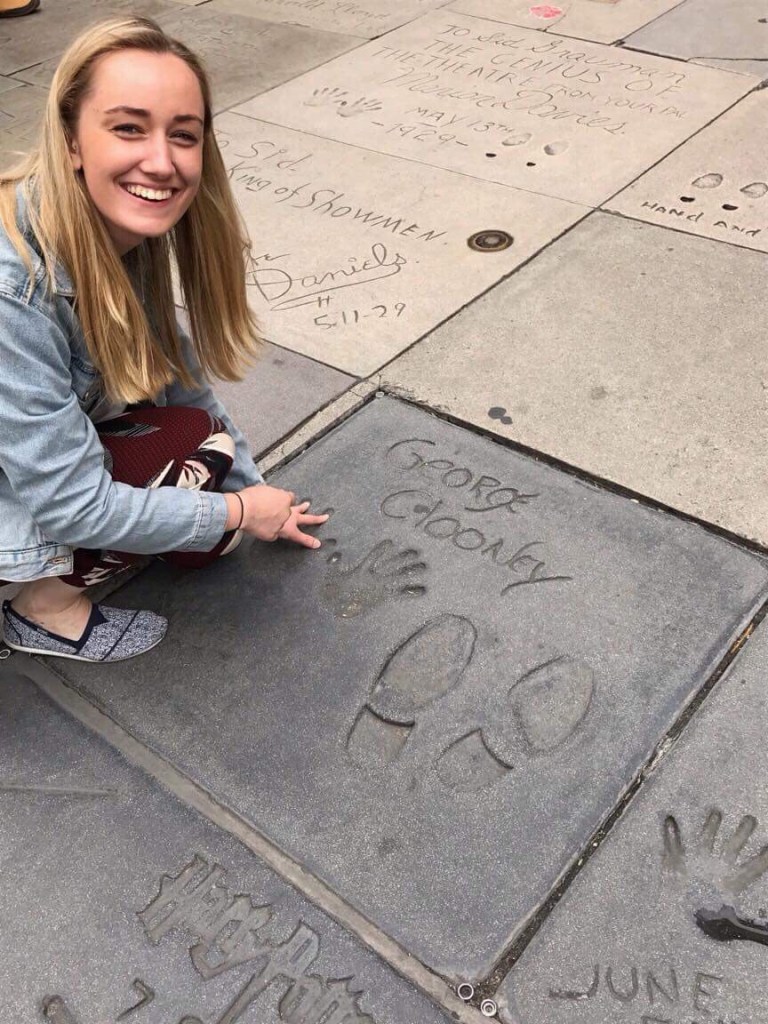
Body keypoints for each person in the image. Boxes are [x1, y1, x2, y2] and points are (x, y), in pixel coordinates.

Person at [0, 16, 328, 662]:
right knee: (201, 499)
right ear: (71, 140)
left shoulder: (114, 233)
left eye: (183, 135)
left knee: (202, 464)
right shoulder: (15, 287)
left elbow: (180, 379)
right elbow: (74, 507)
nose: (162, 161)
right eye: (128, 128)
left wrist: (258, 493)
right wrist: (237, 513)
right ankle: (40, 609)